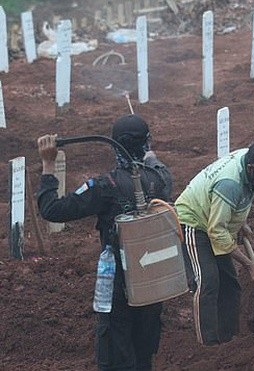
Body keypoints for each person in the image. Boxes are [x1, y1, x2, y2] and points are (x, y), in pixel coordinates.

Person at [37, 114, 173, 371]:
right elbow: (156, 164)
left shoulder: (104, 186)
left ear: (113, 145)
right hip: (153, 282)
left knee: (116, 354)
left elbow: (52, 209)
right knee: (143, 354)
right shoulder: (161, 180)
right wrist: (149, 153)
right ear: (146, 144)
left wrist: (47, 164)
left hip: (117, 286)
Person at [175, 141, 254, 345]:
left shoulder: (250, 158)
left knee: (230, 284)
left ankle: (229, 341)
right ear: (253, 169)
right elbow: (216, 230)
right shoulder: (230, 184)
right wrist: (250, 265)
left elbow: (238, 198)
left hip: (214, 217)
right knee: (207, 282)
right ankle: (208, 346)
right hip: (193, 222)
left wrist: (239, 222)